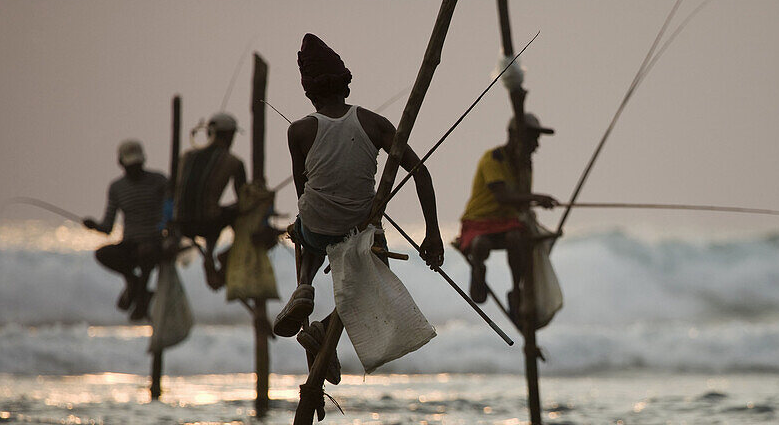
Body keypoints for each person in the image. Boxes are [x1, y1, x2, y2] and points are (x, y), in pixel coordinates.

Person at [272, 33, 445, 357]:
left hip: (317, 229)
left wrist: (308, 219)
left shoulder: (299, 130)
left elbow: (303, 190)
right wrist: (432, 235)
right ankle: (323, 327)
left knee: (306, 227)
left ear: (309, 91)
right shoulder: (374, 123)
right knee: (373, 271)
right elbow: (420, 172)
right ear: (345, 85)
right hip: (358, 227)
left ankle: (304, 287)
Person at [457, 113, 558, 305]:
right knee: (481, 245)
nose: (536, 145)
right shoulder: (493, 158)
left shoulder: (524, 166)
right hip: (479, 221)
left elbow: (521, 201)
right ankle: (478, 270)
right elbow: (502, 196)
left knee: (516, 237)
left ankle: (516, 289)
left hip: (507, 223)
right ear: (514, 135)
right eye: (532, 139)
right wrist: (538, 197)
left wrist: (537, 202)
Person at [83, 140, 169, 321]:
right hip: (130, 243)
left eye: (137, 164)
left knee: (147, 251)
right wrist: (94, 226)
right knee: (102, 253)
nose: (134, 169)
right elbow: (108, 227)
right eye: (130, 165)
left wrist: (167, 233)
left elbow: (171, 211)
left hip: (154, 242)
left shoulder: (159, 181)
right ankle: (135, 284)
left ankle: (140, 302)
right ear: (121, 163)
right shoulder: (117, 188)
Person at [172, 112, 247, 290]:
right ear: (229, 135)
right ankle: (225, 257)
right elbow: (243, 198)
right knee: (241, 212)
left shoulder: (186, 156)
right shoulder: (234, 161)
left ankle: (210, 255)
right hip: (208, 222)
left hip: (181, 223)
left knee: (215, 213)